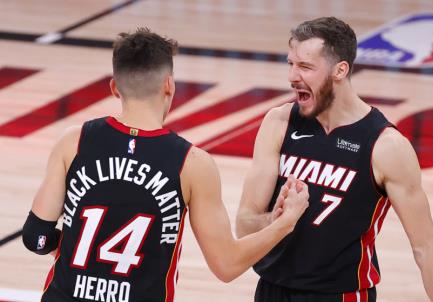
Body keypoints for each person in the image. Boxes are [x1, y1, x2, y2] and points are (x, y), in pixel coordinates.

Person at [21, 28, 309, 302]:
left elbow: (36, 237)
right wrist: (284, 224)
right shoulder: (192, 164)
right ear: (169, 85)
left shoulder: (74, 141)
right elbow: (227, 265)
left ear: (114, 87)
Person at [236, 17, 433, 302]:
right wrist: (276, 219)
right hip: (272, 290)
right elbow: (244, 224)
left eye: (305, 66)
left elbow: (426, 248)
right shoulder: (278, 122)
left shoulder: (385, 146)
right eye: (290, 63)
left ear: (340, 70)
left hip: (341, 295)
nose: (292, 76)